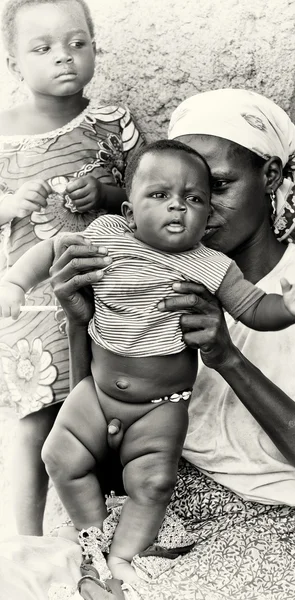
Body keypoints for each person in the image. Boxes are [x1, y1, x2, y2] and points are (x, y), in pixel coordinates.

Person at [1, 88, 295, 600]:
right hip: (160, 514)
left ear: (271, 177)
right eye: (168, 192)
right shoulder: (137, 269)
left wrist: (227, 357)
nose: (190, 208)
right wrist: (82, 322)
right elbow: (103, 451)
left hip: (279, 529)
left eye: (213, 189)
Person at [0, 0, 143, 536]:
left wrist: (107, 192)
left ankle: (108, 536)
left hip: (109, 294)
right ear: (14, 64)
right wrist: (12, 205)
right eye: (42, 48)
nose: (64, 57)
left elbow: (148, 193)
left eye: (77, 43)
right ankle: (27, 540)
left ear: (94, 47)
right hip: (32, 306)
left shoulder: (114, 124)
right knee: (36, 418)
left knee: (110, 411)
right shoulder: (2, 134)